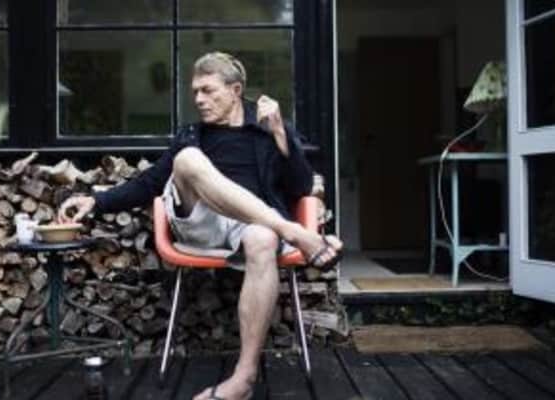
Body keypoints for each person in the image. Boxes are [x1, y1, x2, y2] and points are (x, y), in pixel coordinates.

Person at [58, 52, 342, 400]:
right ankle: (295, 233)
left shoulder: (268, 130)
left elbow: (301, 187)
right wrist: (97, 201)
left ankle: (243, 379)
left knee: (263, 237)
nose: (199, 99)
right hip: (201, 222)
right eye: (195, 92)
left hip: (252, 228)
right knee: (188, 160)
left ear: (235, 90)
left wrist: (282, 135)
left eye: (208, 90)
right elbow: (150, 182)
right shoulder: (191, 135)